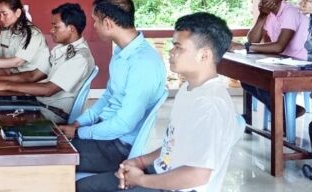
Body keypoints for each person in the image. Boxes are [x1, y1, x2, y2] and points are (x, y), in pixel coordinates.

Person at [77, 12, 244, 192]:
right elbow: (173, 145)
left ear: (204, 55)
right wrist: (140, 162)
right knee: (82, 186)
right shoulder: (189, 89)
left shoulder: (210, 104)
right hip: (160, 173)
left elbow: (197, 175)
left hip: (180, 187)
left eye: (178, 47)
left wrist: (141, 180)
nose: (171, 52)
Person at [57, 0, 166, 176]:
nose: (93, 26)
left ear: (107, 23)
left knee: (49, 156)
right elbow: (108, 97)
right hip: (104, 134)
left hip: (117, 147)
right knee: (45, 144)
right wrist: (78, 124)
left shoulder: (144, 63)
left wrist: (79, 133)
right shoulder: (121, 53)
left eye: (95, 21)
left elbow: (123, 124)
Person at [0, 3, 95, 123]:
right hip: (39, 104)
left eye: (56, 27)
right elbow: (33, 75)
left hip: (51, 113)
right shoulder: (61, 49)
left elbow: (48, 90)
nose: (51, 30)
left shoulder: (79, 57)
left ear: (71, 29)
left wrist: (7, 85)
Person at [229, 0, 308, 116]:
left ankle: (284, 114)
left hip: (301, 63)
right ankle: (286, 112)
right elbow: (253, 39)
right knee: (247, 79)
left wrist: (245, 47)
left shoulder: (290, 11)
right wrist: (262, 15)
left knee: (263, 81)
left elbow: (278, 47)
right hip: (284, 61)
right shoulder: (270, 14)